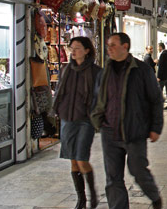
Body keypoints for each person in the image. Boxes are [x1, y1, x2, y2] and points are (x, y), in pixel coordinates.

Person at [91, 33, 163, 209]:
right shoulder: (104, 72)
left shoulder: (142, 70)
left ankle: (154, 196)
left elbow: (156, 99)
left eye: (113, 45)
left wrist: (156, 127)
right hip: (109, 131)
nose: (109, 49)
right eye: (108, 45)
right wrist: (97, 120)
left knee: (138, 170)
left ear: (125, 47)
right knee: (113, 177)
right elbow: (98, 97)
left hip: (134, 130)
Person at [53, 37, 101, 209]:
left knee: (81, 158)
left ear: (87, 50)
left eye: (77, 48)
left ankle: (93, 194)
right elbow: (60, 91)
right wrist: (58, 110)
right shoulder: (66, 69)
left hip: (85, 121)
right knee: (73, 160)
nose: (73, 51)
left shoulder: (96, 72)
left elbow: (101, 98)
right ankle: (81, 200)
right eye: (71, 48)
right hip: (67, 119)